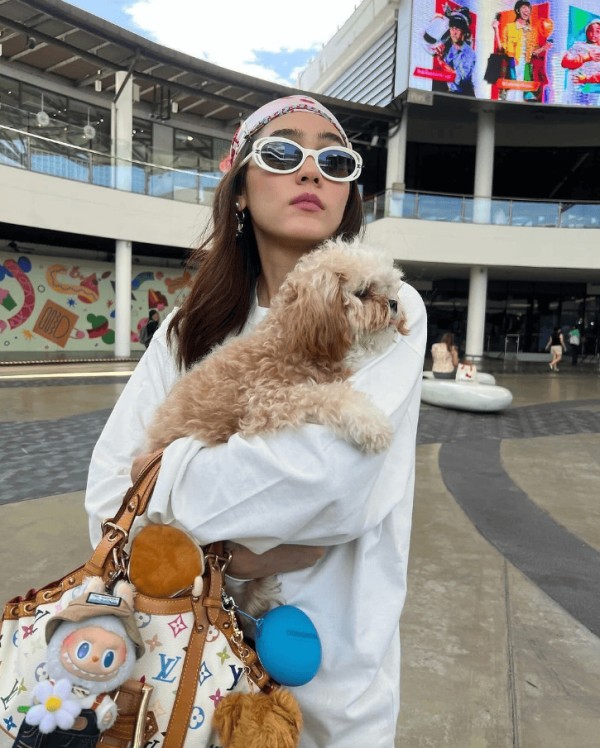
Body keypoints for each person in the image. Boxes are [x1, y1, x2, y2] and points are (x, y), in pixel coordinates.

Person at [84, 94, 427, 747]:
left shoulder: (385, 306)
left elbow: (326, 483)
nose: (311, 170)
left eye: (335, 160)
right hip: (181, 671)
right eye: (282, 152)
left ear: (348, 195)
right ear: (239, 188)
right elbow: (107, 496)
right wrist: (246, 551)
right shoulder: (186, 330)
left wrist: (163, 484)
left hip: (335, 687)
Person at [493, 1, 552, 102]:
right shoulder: (510, 27)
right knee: (511, 94)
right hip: (512, 64)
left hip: (526, 66)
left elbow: (534, 52)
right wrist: (496, 30)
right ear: (518, 10)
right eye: (524, 8)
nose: (527, 10)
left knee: (523, 96)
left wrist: (544, 48)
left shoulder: (532, 31)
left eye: (528, 8)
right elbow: (501, 49)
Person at [433, 7, 476, 96]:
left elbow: (459, 79)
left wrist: (441, 63)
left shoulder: (469, 53)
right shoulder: (449, 49)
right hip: (451, 94)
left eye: (457, 28)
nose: (454, 32)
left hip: (465, 97)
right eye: (452, 28)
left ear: (464, 31)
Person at [561, 19, 600, 106]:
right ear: (586, 32)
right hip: (574, 90)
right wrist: (585, 57)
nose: (594, 34)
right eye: (590, 31)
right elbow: (565, 63)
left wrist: (587, 79)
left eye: (598, 31)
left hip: (594, 94)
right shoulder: (578, 46)